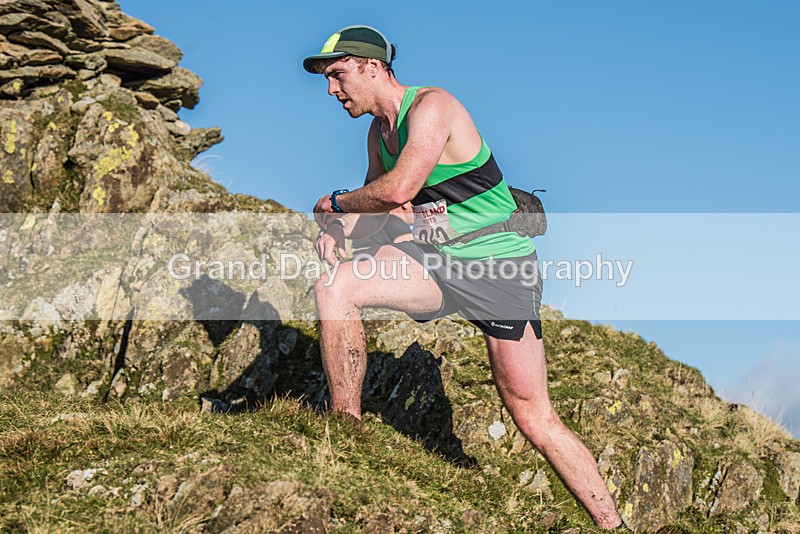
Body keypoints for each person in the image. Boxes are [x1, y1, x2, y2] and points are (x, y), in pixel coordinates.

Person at [303, 25, 626, 530]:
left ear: (372, 67)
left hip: (500, 268)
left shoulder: (432, 107)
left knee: (532, 415)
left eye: (338, 75)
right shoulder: (377, 133)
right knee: (335, 284)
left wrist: (338, 202)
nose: (331, 90)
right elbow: (376, 206)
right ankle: (346, 430)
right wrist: (338, 228)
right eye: (327, 78)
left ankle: (613, 526)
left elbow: (398, 190)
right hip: (436, 265)